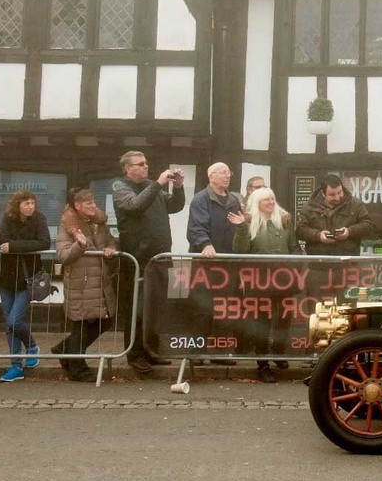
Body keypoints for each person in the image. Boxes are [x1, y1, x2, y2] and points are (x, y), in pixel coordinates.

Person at [112, 151, 185, 373]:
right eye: (140, 164)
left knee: (155, 308)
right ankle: (134, 355)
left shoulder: (153, 187)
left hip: (160, 257)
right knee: (138, 310)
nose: (146, 167)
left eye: (146, 163)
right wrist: (158, 184)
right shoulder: (120, 187)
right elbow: (135, 206)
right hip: (138, 259)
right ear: (127, 168)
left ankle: (151, 351)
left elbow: (174, 206)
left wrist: (178, 187)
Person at [233, 188, 298, 383]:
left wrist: (298, 264)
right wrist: (242, 227)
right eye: (265, 200)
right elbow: (240, 250)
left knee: (284, 318)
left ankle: (279, 352)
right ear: (257, 203)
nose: (270, 202)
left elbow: (293, 246)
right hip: (259, 280)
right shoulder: (248, 221)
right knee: (261, 321)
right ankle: (263, 364)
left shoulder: (284, 220)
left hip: (284, 279)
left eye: (272, 198)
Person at [55, 188, 118, 382]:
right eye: (89, 203)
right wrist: (80, 245)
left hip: (100, 280)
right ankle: (78, 367)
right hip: (80, 282)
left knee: (106, 319)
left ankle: (63, 350)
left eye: (94, 202)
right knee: (80, 325)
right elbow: (63, 255)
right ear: (78, 206)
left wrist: (111, 248)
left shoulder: (99, 222)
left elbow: (111, 241)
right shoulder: (68, 225)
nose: (93, 206)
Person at [0, 190, 51, 382]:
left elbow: (44, 242)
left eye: (32, 203)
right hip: (7, 278)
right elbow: (3, 241)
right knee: (9, 325)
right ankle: (15, 365)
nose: (30, 207)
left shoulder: (39, 219)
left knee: (14, 321)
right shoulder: (8, 218)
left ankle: (32, 346)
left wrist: (15, 246)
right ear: (17, 205)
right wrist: (16, 245)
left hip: (28, 279)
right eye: (26, 203)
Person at [296, 174, 377, 255]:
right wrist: (318, 236)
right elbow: (300, 230)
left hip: (347, 262)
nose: (337, 197)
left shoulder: (356, 204)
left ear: (342, 187)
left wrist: (349, 232)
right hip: (319, 262)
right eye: (332, 195)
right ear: (323, 194)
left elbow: (368, 226)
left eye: (339, 192)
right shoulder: (309, 206)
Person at [186, 162, 242, 256]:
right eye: (223, 173)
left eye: (229, 173)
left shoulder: (234, 200)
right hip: (207, 256)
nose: (227, 176)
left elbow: (240, 226)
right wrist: (205, 244)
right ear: (211, 177)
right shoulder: (200, 199)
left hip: (231, 256)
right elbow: (196, 228)